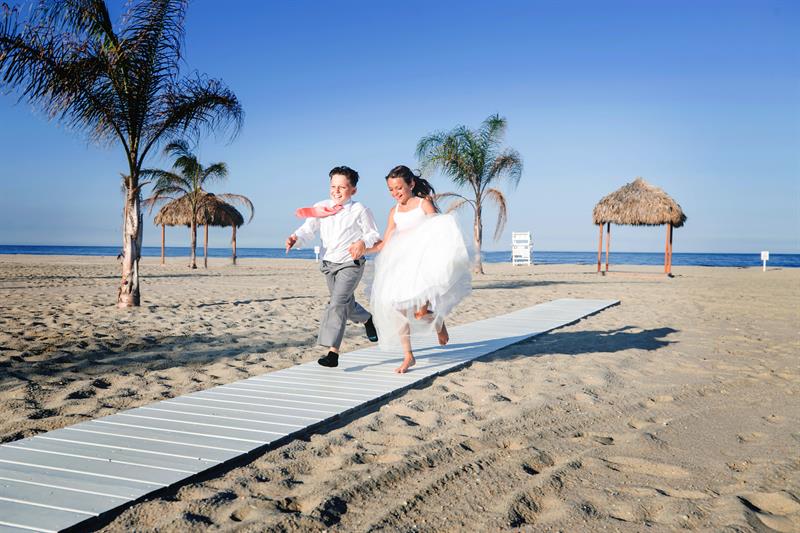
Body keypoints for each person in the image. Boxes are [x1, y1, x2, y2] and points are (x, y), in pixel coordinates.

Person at [367, 165, 471, 373]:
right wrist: (364, 249)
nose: (395, 193)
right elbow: (385, 241)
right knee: (396, 307)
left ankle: (438, 321)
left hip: (423, 263)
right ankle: (408, 356)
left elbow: (438, 229)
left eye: (399, 188)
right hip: (399, 264)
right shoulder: (393, 212)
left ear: (411, 184)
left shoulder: (423, 203)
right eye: (391, 189)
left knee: (420, 313)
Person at [286, 165, 381, 367]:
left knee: (337, 303)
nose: (336, 191)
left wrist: (362, 243)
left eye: (342, 187)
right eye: (333, 186)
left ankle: (333, 353)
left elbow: (373, 234)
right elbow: (308, 229)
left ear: (353, 190)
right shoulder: (321, 207)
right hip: (329, 262)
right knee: (345, 303)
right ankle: (367, 319)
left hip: (351, 263)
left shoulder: (360, 210)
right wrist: (295, 238)